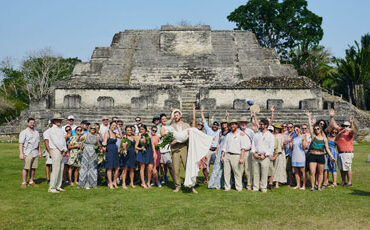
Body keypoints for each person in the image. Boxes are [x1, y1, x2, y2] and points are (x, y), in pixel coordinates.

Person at [306, 112, 335, 191]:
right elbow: (310, 126)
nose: (316, 130)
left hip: (321, 156)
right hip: (313, 155)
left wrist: (332, 157)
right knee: (312, 172)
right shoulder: (313, 136)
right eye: (315, 129)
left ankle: (318, 186)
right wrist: (309, 117)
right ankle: (312, 186)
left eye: (318, 129)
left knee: (321, 172)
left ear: (320, 129)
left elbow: (327, 149)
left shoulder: (324, 138)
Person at [329, 109, 355, 186]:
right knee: (341, 168)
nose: (345, 127)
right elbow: (334, 125)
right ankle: (343, 181)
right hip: (340, 152)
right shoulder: (340, 130)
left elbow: (353, 131)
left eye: (347, 126)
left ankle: (349, 182)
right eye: (344, 125)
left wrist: (352, 123)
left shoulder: (349, 133)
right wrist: (332, 117)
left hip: (347, 153)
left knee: (347, 168)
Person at [221, 119, 248, 192]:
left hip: (236, 155)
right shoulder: (228, 135)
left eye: (234, 124)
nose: (233, 125)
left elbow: (243, 148)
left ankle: (238, 187)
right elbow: (225, 146)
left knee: (237, 173)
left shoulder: (240, 134)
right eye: (231, 124)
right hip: (227, 154)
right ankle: (227, 187)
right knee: (226, 172)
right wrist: (222, 156)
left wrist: (241, 158)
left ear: (237, 125)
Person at [251, 118, 275, 193]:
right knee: (255, 172)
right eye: (260, 124)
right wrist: (254, 153)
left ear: (266, 125)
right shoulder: (256, 134)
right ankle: (255, 187)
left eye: (261, 124)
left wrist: (265, 155)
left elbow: (271, 147)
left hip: (265, 157)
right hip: (256, 155)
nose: (260, 125)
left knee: (264, 173)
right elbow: (253, 144)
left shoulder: (270, 136)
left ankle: (263, 187)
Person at [45, 113, 68, 193]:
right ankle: (52, 187)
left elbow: (63, 140)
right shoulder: (52, 130)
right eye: (57, 120)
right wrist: (62, 149)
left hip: (61, 150)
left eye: (60, 120)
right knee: (55, 169)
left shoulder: (60, 129)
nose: (59, 121)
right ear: (54, 121)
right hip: (55, 150)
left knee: (61, 169)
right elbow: (55, 141)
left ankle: (58, 186)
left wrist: (65, 149)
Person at [170, 109, 191, 192]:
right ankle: (178, 186)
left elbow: (191, 135)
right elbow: (168, 138)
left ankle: (191, 185)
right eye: (174, 115)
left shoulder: (186, 125)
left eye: (177, 115)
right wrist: (171, 142)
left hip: (184, 147)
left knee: (187, 167)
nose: (176, 117)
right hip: (175, 148)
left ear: (180, 116)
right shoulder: (171, 127)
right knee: (176, 168)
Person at [200, 106, 221, 184]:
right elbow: (204, 120)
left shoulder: (219, 131)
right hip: (208, 150)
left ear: (218, 126)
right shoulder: (208, 130)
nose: (215, 126)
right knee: (205, 166)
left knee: (217, 165)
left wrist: (226, 117)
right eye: (214, 125)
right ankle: (207, 179)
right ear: (212, 125)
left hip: (215, 150)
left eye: (216, 125)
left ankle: (215, 179)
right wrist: (202, 112)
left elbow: (226, 127)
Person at [18, 118, 41, 188]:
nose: (32, 124)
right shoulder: (24, 132)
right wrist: (21, 153)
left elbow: (39, 143)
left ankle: (31, 181)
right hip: (27, 152)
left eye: (33, 123)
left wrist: (39, 151)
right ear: (27, 123)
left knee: (33, 167)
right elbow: (21, 143)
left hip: (35, 151)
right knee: (26, 167)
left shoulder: (36, 132)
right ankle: (24, 182)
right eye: (31, 122)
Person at [208, 119, 229, 189]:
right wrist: (216, 150)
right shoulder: (221, 132)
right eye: (222, 123)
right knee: (217, 166)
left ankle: (223, 183)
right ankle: (215, 183)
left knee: (225, 167)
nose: (224, 125)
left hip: (227, 149)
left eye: (225, 123)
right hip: (220, 149)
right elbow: (218, 142)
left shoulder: (230, 132)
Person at [79, 124, 100, 189]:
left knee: (93, 167)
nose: (92, 130)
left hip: (93, 152)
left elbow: (98, 144)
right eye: (91, 128)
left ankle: (92, 183)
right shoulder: (86, 134)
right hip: (86, 152)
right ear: (89, 129)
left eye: (94, 129)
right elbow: (79, 140)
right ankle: (84, 184)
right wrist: (80, 136)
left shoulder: (97, 136)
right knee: (85, 167)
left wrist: (100, 148)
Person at [102, 121, 120, 189]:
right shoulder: (107, 133)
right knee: (109, 167)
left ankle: (114, 181)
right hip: (109, 151)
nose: (114, 127)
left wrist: (118, 128)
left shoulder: (115, 133)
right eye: (113, 125)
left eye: (115, 126)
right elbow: (104, 143)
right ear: (110, 126)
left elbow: (121, 137)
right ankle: (110, 182)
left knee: (117, 167)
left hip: (115, 151)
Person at [238, 115, 255, 190]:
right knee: (240, 170)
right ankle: (239, 185)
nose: (243, 124)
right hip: (239, 152)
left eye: (244, 123)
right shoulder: (237, 131)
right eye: (242, 122)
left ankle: (249, 185)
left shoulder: (250, 131)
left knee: (248, 170)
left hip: (248, 152)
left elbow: (254, 141)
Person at [159, 113, 175, 184]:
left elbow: (172, 135)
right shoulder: (160, 127)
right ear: (161, 120)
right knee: (162, 166)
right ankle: (164, 178)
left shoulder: (170, 127)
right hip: (161, 148)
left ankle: (175, 180)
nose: (164, 120)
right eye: (162, 119)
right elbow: (163, 135)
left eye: (165, 119)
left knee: (169, 165)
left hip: (167, 149)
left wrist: (172, 111)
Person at [271, 124, 286, 188]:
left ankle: (277, 182)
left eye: (278, 129)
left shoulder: (281, 135)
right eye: (276, 128)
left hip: (279, 152)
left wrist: (283, 145)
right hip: (272, 152)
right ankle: (271, 181)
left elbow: (282, 145)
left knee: (278, 167)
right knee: (272, 167)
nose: (277, 130)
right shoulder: (271, 135)